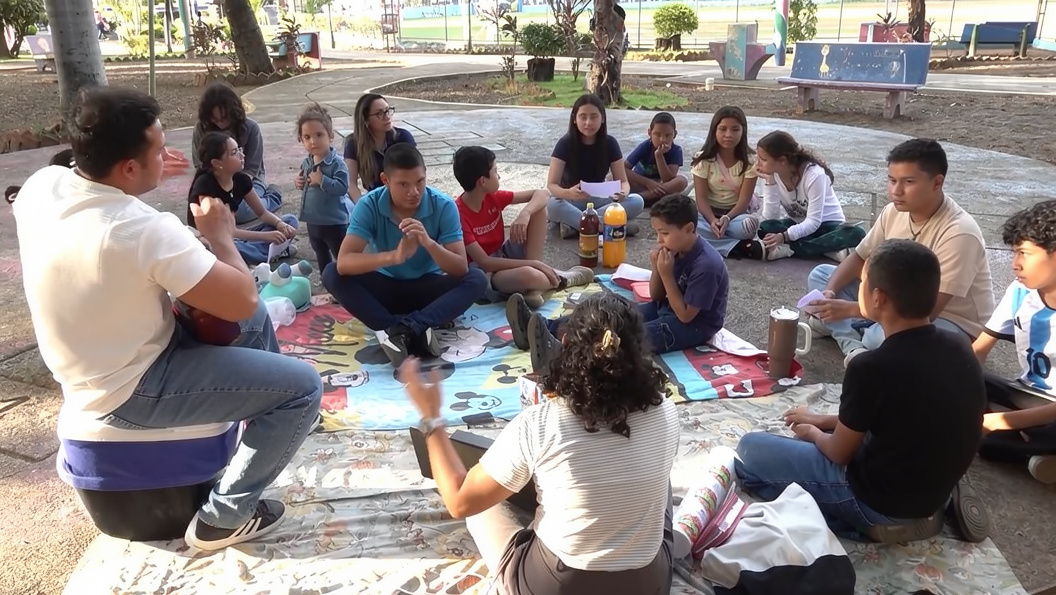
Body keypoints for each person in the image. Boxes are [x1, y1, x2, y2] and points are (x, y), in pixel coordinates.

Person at [12, 86, 322, 551]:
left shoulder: (41, 188)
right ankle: (224, 517)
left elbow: (62, 168)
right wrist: (218, 236)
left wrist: (145, 170)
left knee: (257, 324)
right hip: (131, 388)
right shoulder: (140, 229)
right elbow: (239, 299)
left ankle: (256, 419)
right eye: (159, 150)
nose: (170, 154)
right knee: (303, 389)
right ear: (129, 167)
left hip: (95, 362)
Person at [401, 292, 678, 594]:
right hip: (646, 585)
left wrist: (432, 419)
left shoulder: (542, 423)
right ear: (640, 351)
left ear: (567, 347)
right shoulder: (666, 412)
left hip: (556, 585)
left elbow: (458, 502)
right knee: (661, 482)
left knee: (480, 507)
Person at [737, 240, 989, 544]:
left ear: (878, 298)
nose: (858, 289)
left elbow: (840, 452)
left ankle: (856, 520)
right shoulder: (961, 346)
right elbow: (899, 417)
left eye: (863, 283)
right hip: (933, 494)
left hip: (877, 501)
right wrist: (822, 420)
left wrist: (814, 434)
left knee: (750, 450)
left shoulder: (871, 366)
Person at [805, 138, 994, 367]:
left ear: (937, 182)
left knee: (881, 338)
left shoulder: (960, 233)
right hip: (893, 300)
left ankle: (848, 330)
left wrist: (852, 310)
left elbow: (930, 311)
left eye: (908, 182)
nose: (896, 191)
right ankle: (854, 345)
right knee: (822, 275)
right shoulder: (893, 212)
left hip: (950, 323)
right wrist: (830, 293)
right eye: (892, 180)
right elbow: (859, 258)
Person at [510, 194, 728, 372]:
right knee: (612, 312)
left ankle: (561, 350)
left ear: (689, 229)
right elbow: (657, 296)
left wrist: (667, 274)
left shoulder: (706, 264)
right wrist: (657, 271)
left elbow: (686, 316)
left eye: (664, 233)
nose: (659, 240)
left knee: (626, 336)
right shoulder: (676, 249)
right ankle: (543, 328)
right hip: (667, 306)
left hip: (693, 326)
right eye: (657, 233)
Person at [321, 142, 487, 367]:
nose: (414, 192)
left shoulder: (444, 205)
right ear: (385, 180)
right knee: (331, 273)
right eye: (403, 184)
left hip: (427, 289)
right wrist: (394, 257)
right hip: (384, 288)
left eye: (420, 181)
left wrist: (429, 243)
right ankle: (394, 327)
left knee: (476, 278)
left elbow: (460, 268)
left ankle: (410, 328)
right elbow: (344, 263)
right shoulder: (368, 205)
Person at [972, 201, 1056, 484]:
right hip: (1028, 394)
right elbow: (978, 351)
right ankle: (1035, 454)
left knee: (985, 440)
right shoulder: (1021, 291)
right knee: (956, 376)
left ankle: (1026, 443)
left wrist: (998, 422)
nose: (1014, 264)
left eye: (1024, 253)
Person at [453, 145, 594, 309]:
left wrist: (525, 214)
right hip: (487, 273)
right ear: (482, 181)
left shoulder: (492, 197)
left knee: (538, 209)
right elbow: (485, 262)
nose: (499, 176)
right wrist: (535, 265)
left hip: (505, 254)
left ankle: (533, 289)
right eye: (495, 171)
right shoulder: (459, 214)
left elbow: (543, 193)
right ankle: (566, 278)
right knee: (530, 275)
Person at [749, 131, 865, 261]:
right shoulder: (774, 173)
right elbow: (771, 217)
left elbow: (814, 222)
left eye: (763, 159)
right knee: (765, 228)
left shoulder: (815, 175)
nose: (757, 163)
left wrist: (784, 237)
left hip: (827, 226)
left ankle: (791, 249)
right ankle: (827, 251)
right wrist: (770, 182)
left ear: (782, 160)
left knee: (857, 233)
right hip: (799, 224)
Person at [187, 131, 299, 265]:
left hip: (236, 238)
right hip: (213, 241)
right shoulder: (205, 186)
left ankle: (265, 253)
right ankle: (271, 252)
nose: (242, 155)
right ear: (217, 163)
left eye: (239, 149)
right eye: (234, 153)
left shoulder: (241, 180)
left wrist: (280, 224)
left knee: (290, 221)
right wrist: (266, 237)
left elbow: (262, 213)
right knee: (219, 251)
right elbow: (226, 234)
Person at [546, 94, 645, 238]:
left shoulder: (610, 143)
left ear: (602, 118)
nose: (588, 122)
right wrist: (568, 193)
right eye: (583, 117)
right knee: (553, 205)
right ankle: (614, 226)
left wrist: (623, 192)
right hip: (573, 200)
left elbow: (623, 181)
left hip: (599, 199)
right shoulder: (565, 144)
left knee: (637, 201)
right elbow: (552, 185)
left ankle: (578, 225)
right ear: (574, 119)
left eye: (593, 117)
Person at [192, 82, 283, 223]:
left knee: (240, 213)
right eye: (215, 120)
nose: (220, 124)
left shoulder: (251, 128)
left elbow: (252, 169)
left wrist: (231, 193)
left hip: (247, 180)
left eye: (224, 119)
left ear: (233, 112)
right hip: (214, 181)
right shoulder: (201, 128)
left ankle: (273, 196)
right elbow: (200, 164)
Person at [690, 106, 759, 258]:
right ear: (714, 131)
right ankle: (737, 247)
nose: (728, 135)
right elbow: (700, 198)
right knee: (684, 222)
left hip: (735, 216)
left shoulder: (750, 161)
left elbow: (744, 200)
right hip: (706, 214)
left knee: (749, 226)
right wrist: (713, 220)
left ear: (743, 131)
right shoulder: (703, 159)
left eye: (735, 129)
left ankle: (709, 242)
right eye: (722, 129)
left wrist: (726, 219)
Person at [294, 103, 350, 274]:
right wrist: (299, 182)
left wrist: (323, 180)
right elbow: (306, 185)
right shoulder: (307, 162)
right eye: (307, 137)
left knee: (341, 256)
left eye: (319, 135)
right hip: (313, 220)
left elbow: (342, 187)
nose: (313, 141)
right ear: (301, 140)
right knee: (320, 253)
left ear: (330, 136)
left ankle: (347, 283)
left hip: (334, 222)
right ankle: (327, 281)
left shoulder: (337, 163)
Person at [343, 93, 416, 203]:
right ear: (365, 120)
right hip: (375, 200)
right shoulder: (354, 144)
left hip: (404, 197)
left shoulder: (403, 137)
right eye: (379, 113)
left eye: (387, 110)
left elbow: (415, 174)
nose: (387, 116)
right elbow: (351, 183)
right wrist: (362, 207)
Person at [624, 112, 689, 206]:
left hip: (662, 186)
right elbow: (624, 168)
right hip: (641, 184)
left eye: (667, 135)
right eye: (657, 134)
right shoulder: (645, 146)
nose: (662, 139)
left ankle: (638, 198)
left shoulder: (676, 150)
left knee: (682, 181)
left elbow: (668, 179)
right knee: (613, 176)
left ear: (674, 134)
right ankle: (652, 199)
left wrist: (659, 156)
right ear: (650, 133)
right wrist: (647, 182)